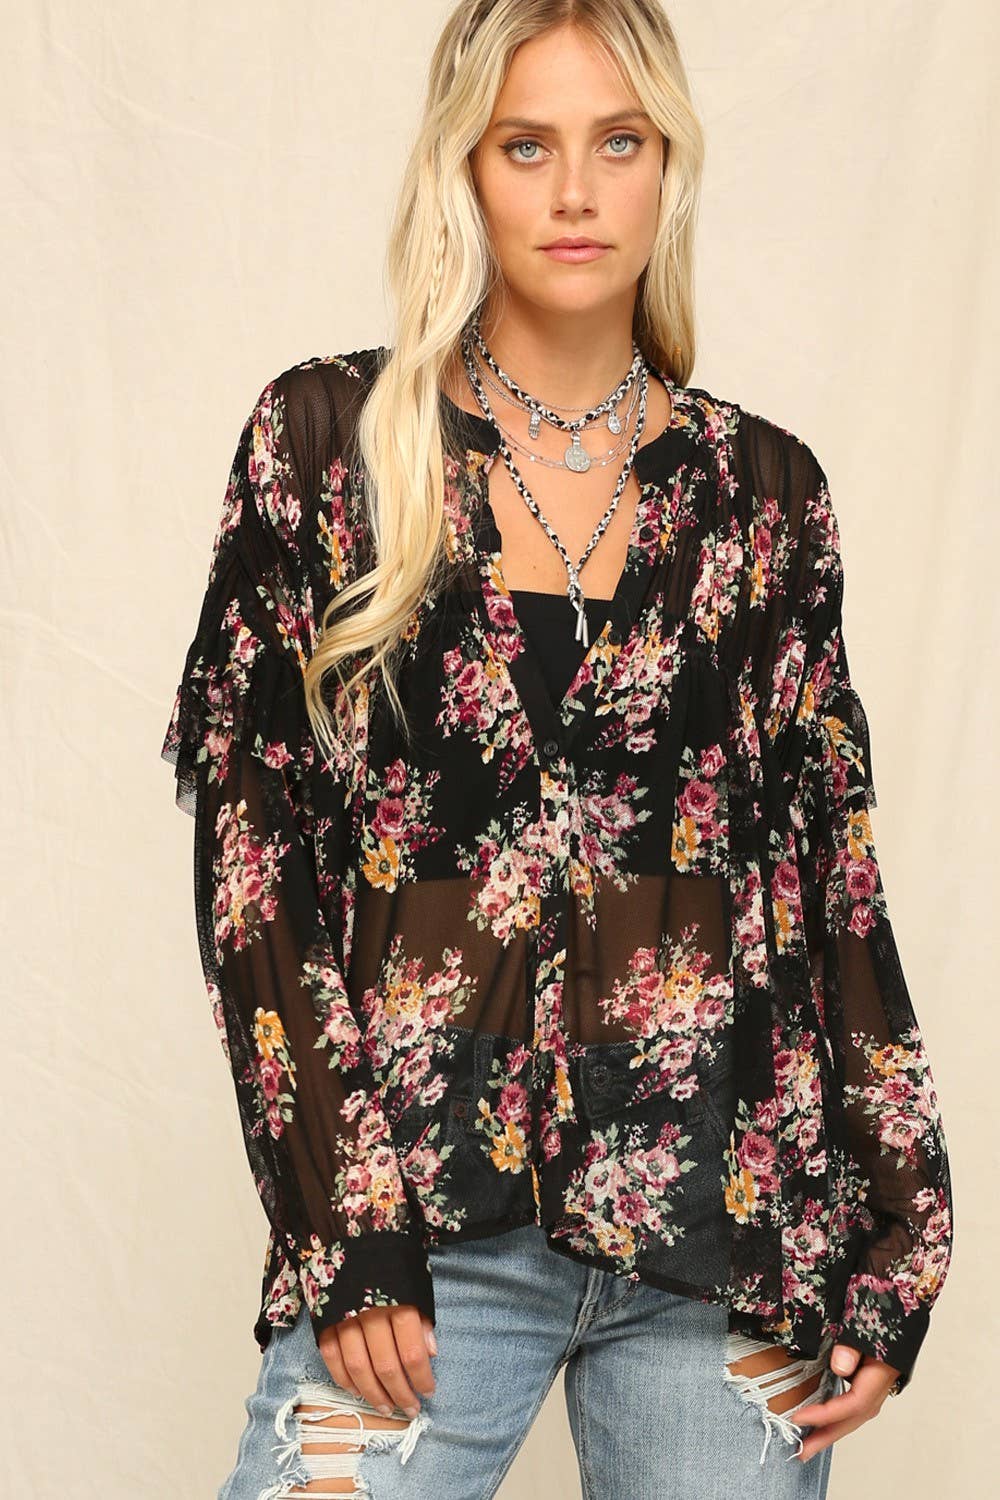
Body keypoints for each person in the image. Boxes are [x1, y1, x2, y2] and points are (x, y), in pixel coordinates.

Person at [161, 3, 953, 1496]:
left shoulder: (765, 496)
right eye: (527, 146)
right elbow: (254, 870)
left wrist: (899, 1231)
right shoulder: (329, 445)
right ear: (463, 168)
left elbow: (833, 881)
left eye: (619, 144)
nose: (576, 192)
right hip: (422, 1235)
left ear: (669, 168)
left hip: (726, 1231)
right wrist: (343, 1222)